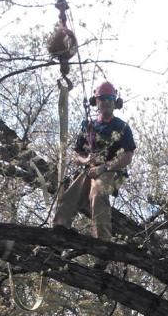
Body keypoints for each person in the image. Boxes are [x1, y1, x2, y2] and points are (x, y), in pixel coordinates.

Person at [52, 81, 136, 241]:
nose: (106, 103)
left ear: (115, 102)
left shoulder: (122, 127)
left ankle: (102, 241)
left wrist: (105, 167)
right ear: (96, 102)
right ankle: (59, 230)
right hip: (90, 168)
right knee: (71, 194)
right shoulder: (88, 125)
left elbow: (128, 155)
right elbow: (77, 154)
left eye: (110, 99)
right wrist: (85, 160)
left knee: (97, 194)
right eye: (102, 99)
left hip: (112, 171)